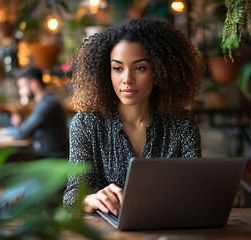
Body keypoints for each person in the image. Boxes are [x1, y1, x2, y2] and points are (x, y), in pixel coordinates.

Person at [62, 18, 205, 216]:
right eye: (118, 68)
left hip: (169, 228)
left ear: (158, 72)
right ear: (107, 73)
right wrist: (90, 199)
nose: (127, 79)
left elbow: (197, 189)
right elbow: (72, 197)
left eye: (140, 68)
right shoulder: (86, 125)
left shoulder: (182, 123)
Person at [5, 65, 69, 158]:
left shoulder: (48, 104)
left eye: (22, 87)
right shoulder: (44, 102)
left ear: (34, 84)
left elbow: (22, 133)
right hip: (45, 157)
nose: (20, 92)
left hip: (52, 160)